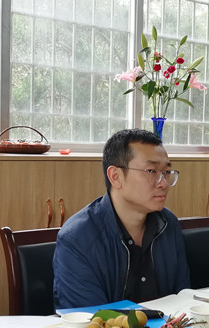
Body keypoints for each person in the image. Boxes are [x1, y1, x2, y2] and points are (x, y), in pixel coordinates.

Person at [53, 129, 189, 309]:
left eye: (166, 172)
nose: (164, 183)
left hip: (169, 327)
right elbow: (89, 320)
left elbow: (183, 300)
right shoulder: (77, 239)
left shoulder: (168, 224)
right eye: (151, 171)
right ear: (115, 177)